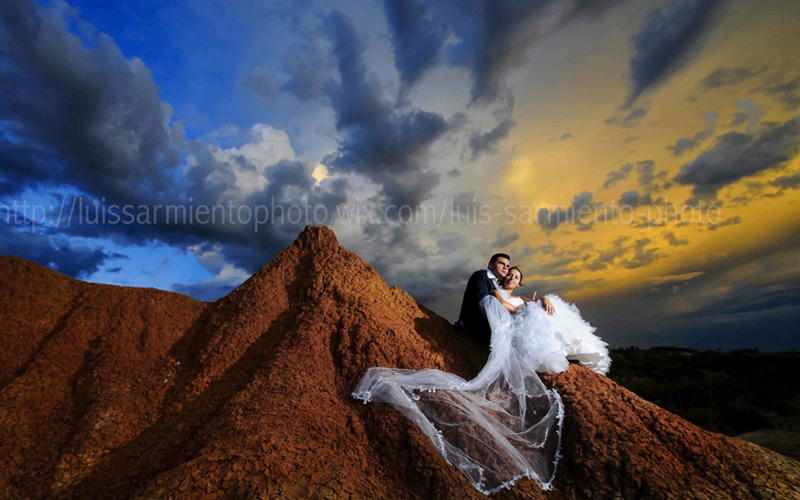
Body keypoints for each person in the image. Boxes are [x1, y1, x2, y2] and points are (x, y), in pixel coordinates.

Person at [353, 257, 565, 494]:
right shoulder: (481, 277)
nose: (507, 269)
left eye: (512, 270)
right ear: (492, 264)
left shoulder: (500, 287)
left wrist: (542, 300)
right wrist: (506, 323)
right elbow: (486, 300)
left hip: (495, 324)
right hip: (476, 326)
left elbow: (522, 301)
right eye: (504, 265)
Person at [493, 267, 611, 376]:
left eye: (516, 277)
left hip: (525, 321)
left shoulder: (520, 298)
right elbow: (503, 305)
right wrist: (522, 310)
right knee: (537, 318)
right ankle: (554, 351)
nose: (512, 278)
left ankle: (564, 344)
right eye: (510, 275)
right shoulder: (496, 293)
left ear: (518, 284)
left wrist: (545, 300)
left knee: (546, 310)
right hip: (514, 327)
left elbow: (534, 302)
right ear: (504, 277)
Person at [454, 253, 510, 344]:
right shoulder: (480, 275)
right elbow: (484, 301)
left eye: (507, 266)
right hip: (473, 327)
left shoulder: (497, 284)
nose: (505, 268)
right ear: (490, 265)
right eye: (501, 264)